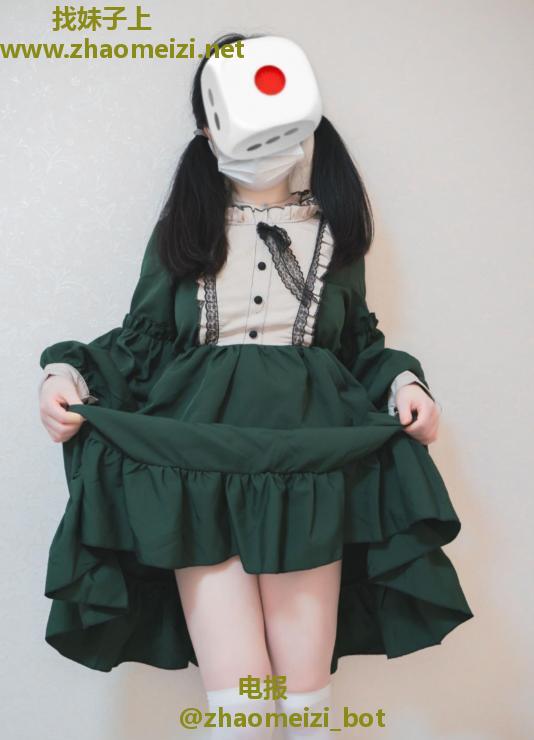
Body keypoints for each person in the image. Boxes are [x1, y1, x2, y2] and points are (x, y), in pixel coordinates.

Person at [37, 32, 473, 739]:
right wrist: (66, 372)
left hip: (308, 466)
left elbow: (357, 345)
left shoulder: (334, 233)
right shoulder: (185, 229)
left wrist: (404, 384)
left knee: (305, 701)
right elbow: (141, 342)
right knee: (239, 707)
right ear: (206, 129)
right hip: (198, 469)